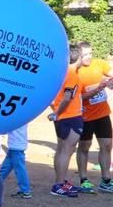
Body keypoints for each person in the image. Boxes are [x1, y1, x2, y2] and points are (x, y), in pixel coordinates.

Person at [74, 42, 113, 192]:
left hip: (102, 114)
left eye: (90, 53)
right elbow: (80, 97)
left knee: (107, 146)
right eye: (85, 55)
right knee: (84, 147)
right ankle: (84, 179)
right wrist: (99, 88)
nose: (88, 57)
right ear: (79, 55)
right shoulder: (75, 72)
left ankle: (106, 180)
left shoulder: (99, 64)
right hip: (85, 117)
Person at [48, 44, 84, 198]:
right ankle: (58, 184)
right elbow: (68, 97)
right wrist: (58, 113)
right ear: (79, 58)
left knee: (62, 149)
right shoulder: (72, 75)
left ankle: (60, 182)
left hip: (65, 116)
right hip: (69, 117)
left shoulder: (61, 72)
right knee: (66, 150)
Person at [0, 123, 32, 198]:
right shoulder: (23, 117)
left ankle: (25, 191)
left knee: (20, 169)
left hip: (16, 146)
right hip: (15, 146)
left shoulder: (18, 118)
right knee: (5, 167)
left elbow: (5, 129)